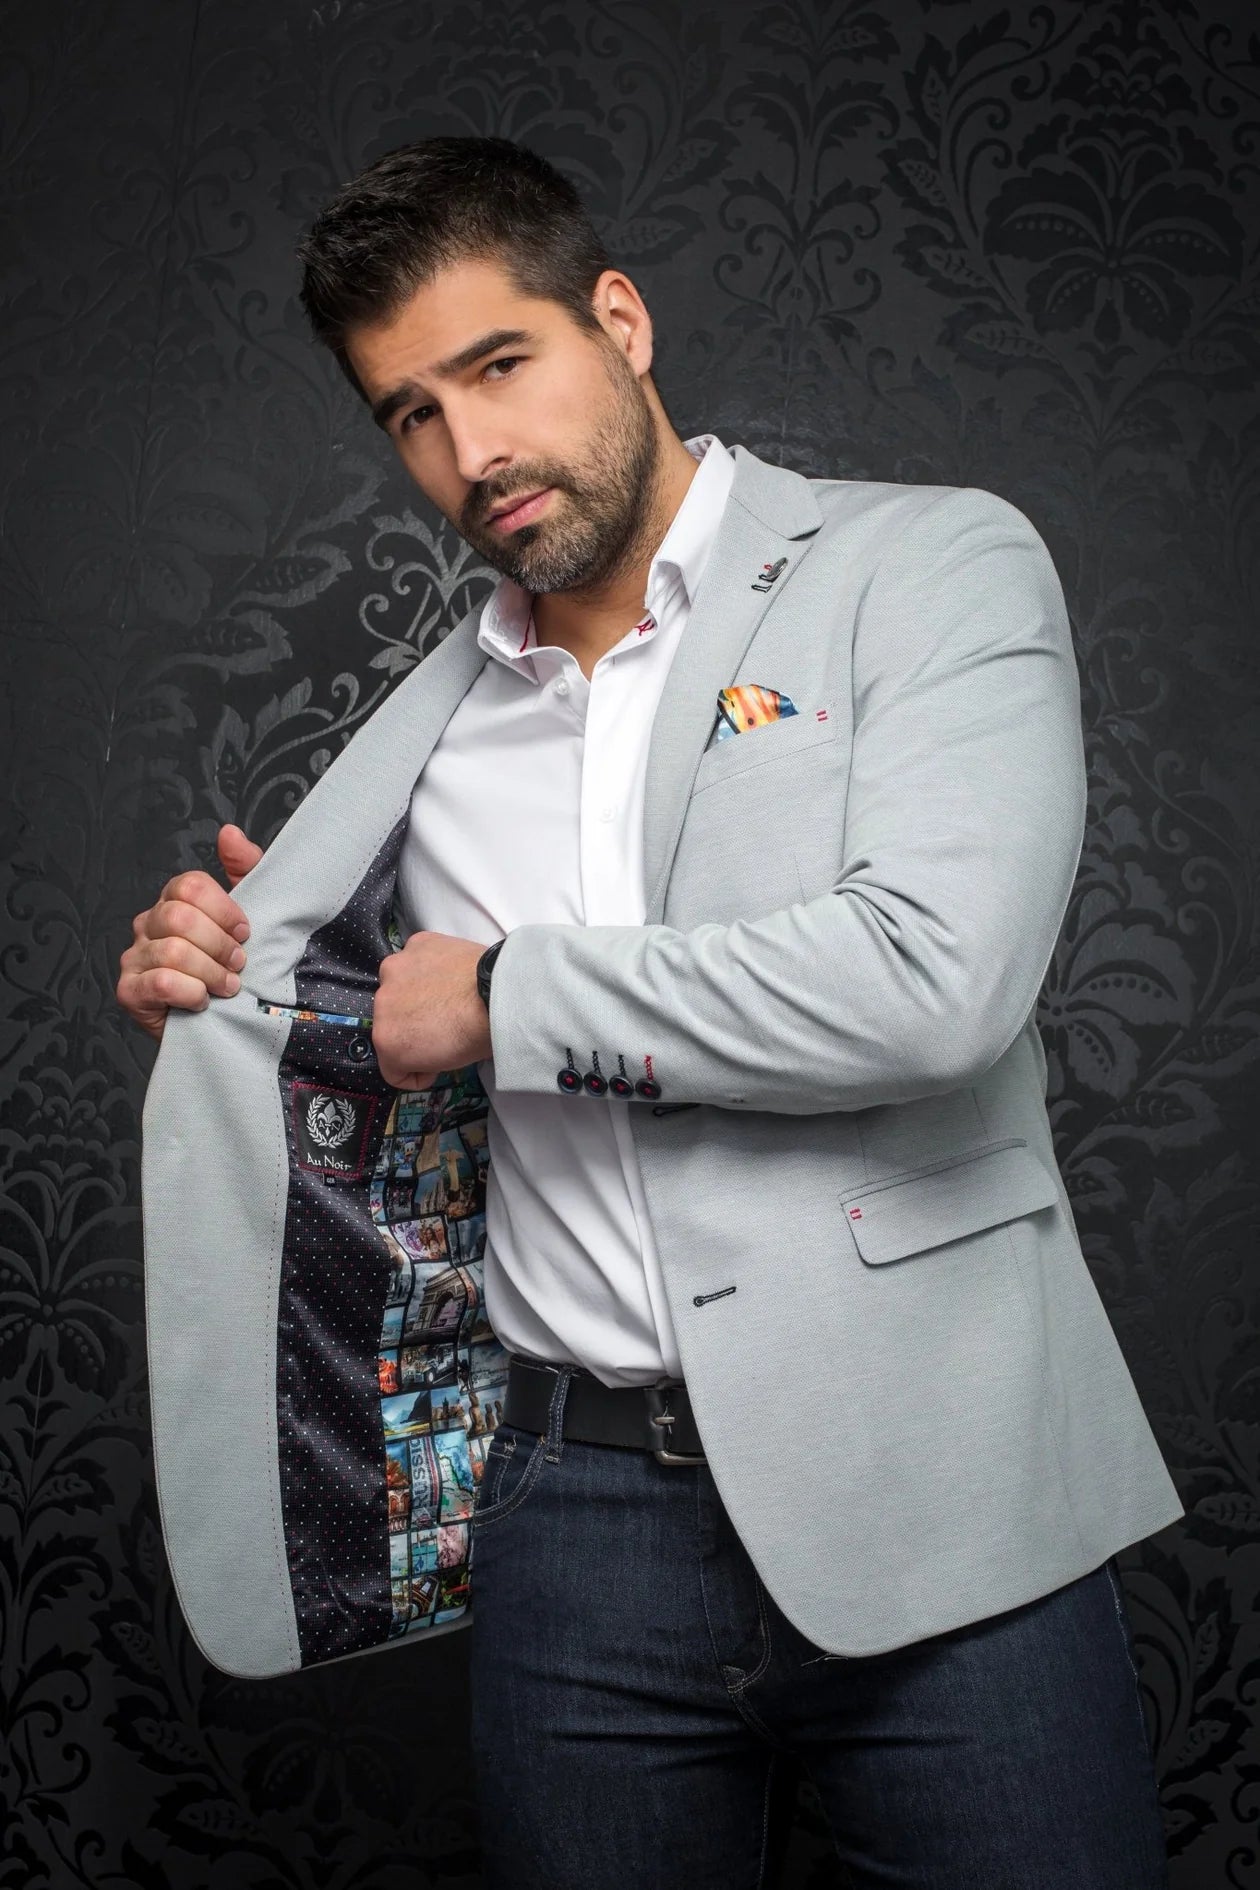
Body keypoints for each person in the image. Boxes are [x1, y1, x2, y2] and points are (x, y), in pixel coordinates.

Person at [117, 135, 1181, 1888]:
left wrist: (509, 992)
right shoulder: (427, 736)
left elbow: (939, 982)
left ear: (619, 320)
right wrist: (225, 986)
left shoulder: (928, 567)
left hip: (943, 1483)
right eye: (411, 414)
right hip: (575, 1522)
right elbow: (365, 1044)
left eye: (499, 365)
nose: (471, 452)